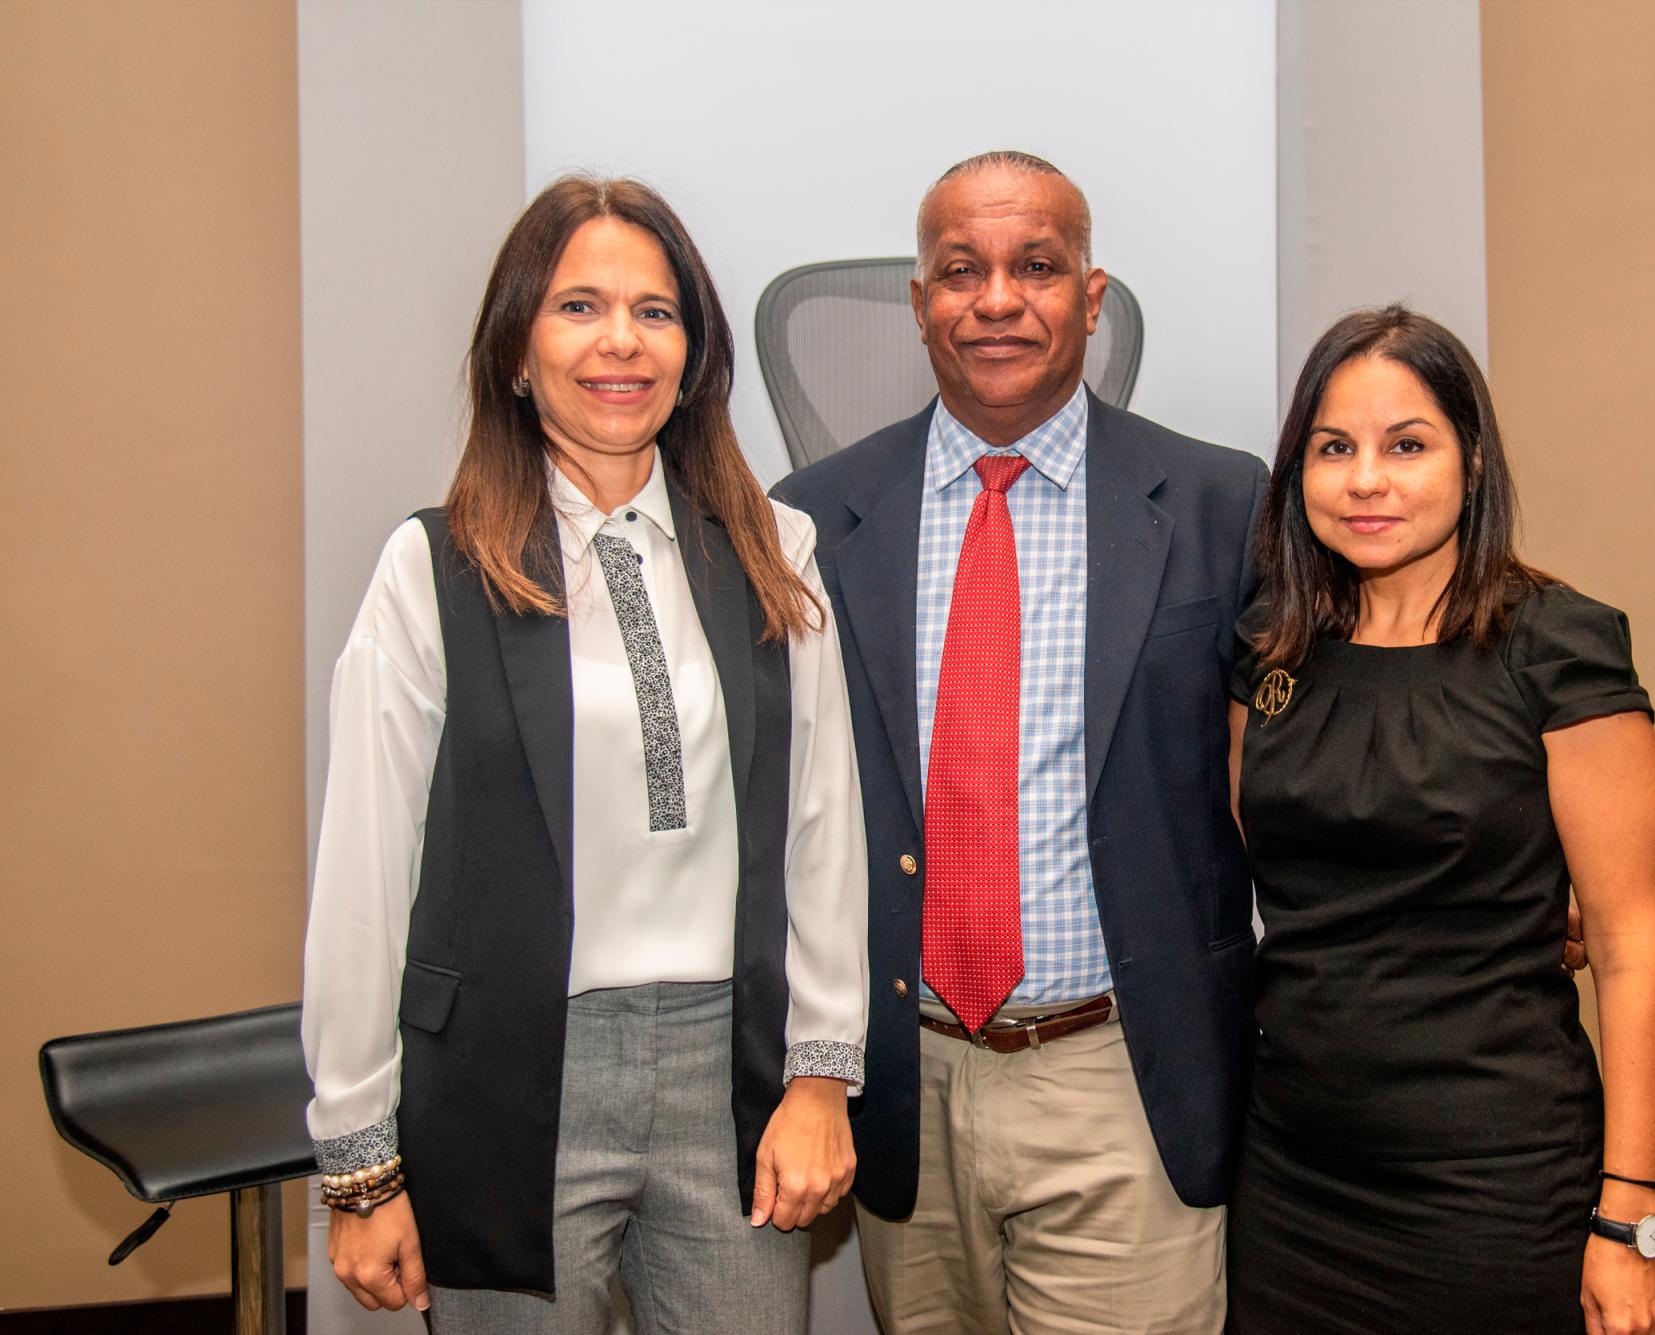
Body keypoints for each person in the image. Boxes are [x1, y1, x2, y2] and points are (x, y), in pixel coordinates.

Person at [301, 175, 869, 1334]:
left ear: (693, 352)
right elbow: (363, 880)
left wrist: (820, 1076)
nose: (621, 341)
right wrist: (359, 1165)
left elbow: (822, 831)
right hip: (514, 1080)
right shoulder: (432, 572)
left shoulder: (776, 550)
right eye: (578, 306)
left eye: (655, 313)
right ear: (516, 348)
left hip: (732, 1080)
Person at [772, 151, 1267, 1333]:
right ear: (919, 305)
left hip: (1119, 1073)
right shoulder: (810, 518)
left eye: (1036, 267)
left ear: (1090, 298)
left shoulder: (1218, 503)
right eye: (960, 271)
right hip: (908, 1067)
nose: (997, 299)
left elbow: (1292, 770)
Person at [1224, 306, 1655, 1335]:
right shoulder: (1268, 647)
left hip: (1494, 1180)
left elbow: (1629, 947)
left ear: (1472, 465)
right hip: (1292, 1171)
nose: (1365, 479)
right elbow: (1266, 861)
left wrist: (1626, 1215)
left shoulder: (1558, 648)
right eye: (1333, 448)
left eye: (1406, 445)